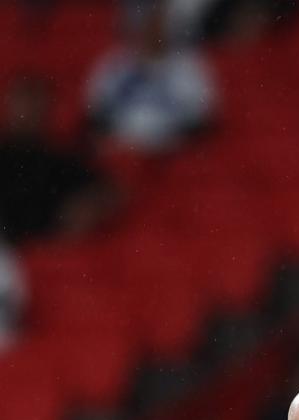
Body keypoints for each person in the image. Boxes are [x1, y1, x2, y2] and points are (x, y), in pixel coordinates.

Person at [0, 74, 116, 244]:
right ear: (8, 104)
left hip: (47, 252)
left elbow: (109, 192)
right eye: (23, 103)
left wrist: (93, 202)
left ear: (49, 108)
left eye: (36, 104)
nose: (29, 111)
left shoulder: (61, 157)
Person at [86, 3, 217, 153]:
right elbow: (95, 114)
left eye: (160, 23)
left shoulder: (190, 67)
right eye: (148, 23)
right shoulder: (116, 63)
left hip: (171, 155)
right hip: (120, 151)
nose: (154, 29)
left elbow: (202, 122)